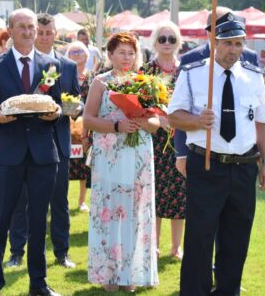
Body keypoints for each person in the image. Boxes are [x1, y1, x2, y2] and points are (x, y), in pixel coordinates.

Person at [167, 10, 265, 295]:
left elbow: (264, 123)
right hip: (206, 165)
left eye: (239, 43)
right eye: (227, 43)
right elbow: (174, 116)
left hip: (243, 167)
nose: (233, 49)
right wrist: (196, 121)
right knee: (199, 239)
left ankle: (228, 290)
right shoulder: (193, 74)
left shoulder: (254, 77)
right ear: (214, 41)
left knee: (236, 239)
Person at [0, 8, 62, 296]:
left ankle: (38, 284)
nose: (29, 32)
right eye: (22, 27)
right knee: (1, 218)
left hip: (43, 154)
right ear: (11, 30)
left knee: (39, 221)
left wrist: (54, 113)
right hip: (8, 154)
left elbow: (56, 104)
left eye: (32, 27)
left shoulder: (51, 64)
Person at [84, 32, 159, 292]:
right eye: (121, 52)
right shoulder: (100, 83)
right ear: (110, 54)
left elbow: (156, 123)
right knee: (111, 209)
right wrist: (116, 125)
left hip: (138, 154)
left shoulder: (145, 82)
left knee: (136, 211)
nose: (127, 58)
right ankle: (108, 274)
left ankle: (132, 272)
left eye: (131, 53)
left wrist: (141, 120)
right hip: (110, 155)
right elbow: (88, 119)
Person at [7, 13, 81, 270]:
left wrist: (71, 108)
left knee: (59, 201)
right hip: (24, 142)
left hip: (57, 142)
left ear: (56, 34)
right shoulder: (21, 65)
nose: (45, 36)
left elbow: (76, 101)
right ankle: (17, 252)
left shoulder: (68, 66)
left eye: (50, 32)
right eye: (41, 32)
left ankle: (62, 253)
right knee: (21, 201)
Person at [173, 8, 259, 169]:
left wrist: (262, 155)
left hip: (241, 157)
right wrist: (182, 153)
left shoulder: (249, 57)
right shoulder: (190, 59)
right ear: (210, 32)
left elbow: (256, 113)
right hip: (201, 153)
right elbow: (180, 108)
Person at [141, 21, 186, 260]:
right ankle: (154, 244)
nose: (167, 43)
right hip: (155, 138)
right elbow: (140, 104)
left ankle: (176, 246)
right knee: (155, 189)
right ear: (155, 42)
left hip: (182, 138)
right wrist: (160, 118)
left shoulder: (185, 69)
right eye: (162, 38)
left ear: (178, 42)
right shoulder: (146, 71)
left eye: (171, 38)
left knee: (179, 191)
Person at [65, 41, 92, 211]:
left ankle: (82, 201)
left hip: (86, 125)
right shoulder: (65, 75)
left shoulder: (92, 77)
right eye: (73, 51)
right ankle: (63, 201)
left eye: (79, 51)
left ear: (87, 55)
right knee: (65, 165)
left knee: (83, 166)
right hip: (67, 125)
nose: (76, 54)